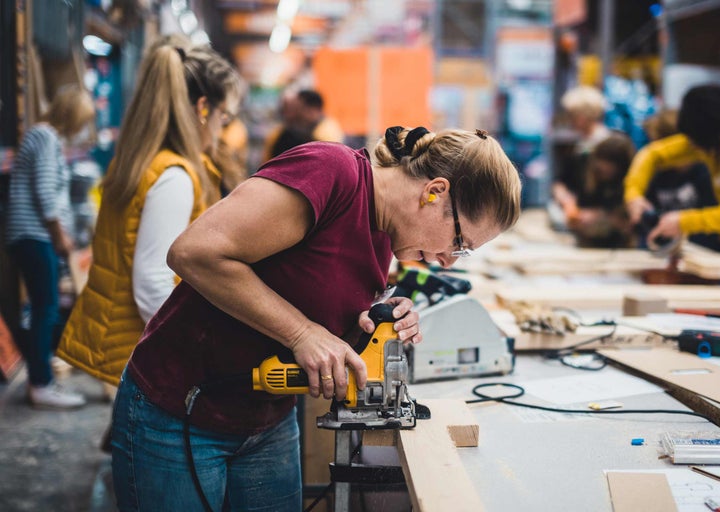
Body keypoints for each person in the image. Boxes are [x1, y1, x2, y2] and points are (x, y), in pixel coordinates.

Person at [110, 126, 522, 510]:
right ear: (434, 191)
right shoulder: (331, 174)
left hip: (266, 421)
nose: (449, 262)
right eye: (459, 242)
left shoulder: (387, 233)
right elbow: (194, 252)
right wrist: (301, 332)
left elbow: (312, 283)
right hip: (178, 412)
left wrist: (379, 316)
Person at [56, 45, 242, 390]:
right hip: (148, 355)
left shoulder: (145, 162)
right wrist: (195, 353)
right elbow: (153, 283)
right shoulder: (173, 176)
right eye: (224, 118)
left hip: (132, 345)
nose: (222, 130)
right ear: (203, 109)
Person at [625, 84, 720, 302]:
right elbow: (653, 154)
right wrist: (634, 195)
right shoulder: (715, 134)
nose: (697, 151)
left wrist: (686, 221)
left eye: (700, 146)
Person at [4, 85, 95, 408]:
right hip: (34, 235)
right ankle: (41, 384)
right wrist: (60, 235)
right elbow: (45, 192)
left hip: (33, 235)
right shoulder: (45, 136)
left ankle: (42, 379)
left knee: (45, 306)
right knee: (46, 307)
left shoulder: (45, 137)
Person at [639, 109, 720, 252]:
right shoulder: (658, 175)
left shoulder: (706, 171)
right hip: (665, 252)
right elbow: (647, 223)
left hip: (703, 254)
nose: (654, 155)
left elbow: (715, 223)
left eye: (657, 146)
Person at [551, 85, 613, 227]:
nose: (569, 119)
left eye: (572, 115)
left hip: (603, 220)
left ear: (584, 115)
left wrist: (600, 213)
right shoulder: (578, 145)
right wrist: (565, 198)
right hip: (579, 216)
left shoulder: (609, 144)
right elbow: (564, 179)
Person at [565, 134, 636, 248]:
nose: (604, 172)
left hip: (621, 245)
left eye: (608, 169)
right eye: (599, 169)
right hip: (587, 240)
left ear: (621, 167)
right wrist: (572, 209)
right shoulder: (588, 172)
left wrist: (602, 216)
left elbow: (628, 224)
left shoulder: (631, 182)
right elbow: (566, 189)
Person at [262, 88, 345, 161]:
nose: (291, 113)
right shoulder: (281, 132)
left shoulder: (326, 136)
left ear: (312, 110)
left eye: (297, 108)